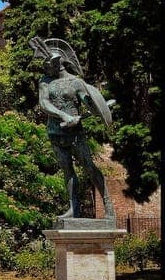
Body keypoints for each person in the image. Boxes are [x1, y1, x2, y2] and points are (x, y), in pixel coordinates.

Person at [30, 36, 115, 220]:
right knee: (67, 171)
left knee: (89, 167)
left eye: (47, 65)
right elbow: (44, 103)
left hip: (75, 134)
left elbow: (88, 102)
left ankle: (108, 204)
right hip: (55, 132)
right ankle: (73, 208)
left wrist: (98, 106)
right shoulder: (45, 81)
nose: (44, 68)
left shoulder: (76, 82)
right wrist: (63, 115)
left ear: (57, 63)